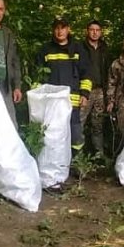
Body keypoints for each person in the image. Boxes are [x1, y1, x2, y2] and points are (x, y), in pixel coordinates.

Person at [36, 17, 92, 154]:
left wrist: (84, 94)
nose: (60, 31)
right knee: (53, 133)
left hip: (72, 102)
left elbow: (87, 74)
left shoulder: (78, 49)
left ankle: (76, 163)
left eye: (63, 28)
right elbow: (37, 75)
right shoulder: (45, 50)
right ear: (53, 30)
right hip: (51, 102)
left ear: (68, 29)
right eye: (57, 28)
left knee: (75, 133)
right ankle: (55, 163)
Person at [79, 20, 111, 154]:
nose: (94, 32)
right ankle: (77, 155)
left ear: (101, 32)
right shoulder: (80, 47)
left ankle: (99, 154)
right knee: (79, 122)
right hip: (84, 91)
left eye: (97, 30)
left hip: (99, 90)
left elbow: (108, 70)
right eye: (92, 29)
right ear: (87, 31)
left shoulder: (104, 48)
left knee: (98, 123)